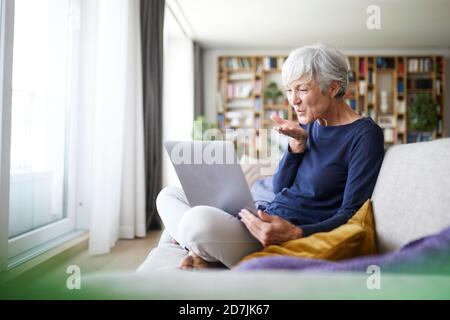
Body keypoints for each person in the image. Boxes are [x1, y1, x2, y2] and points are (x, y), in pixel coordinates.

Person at [156, 44, 385, 270]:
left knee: (197, 222)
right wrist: (296, 146)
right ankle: (203, 249)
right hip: (261, 216)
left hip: (276, 235)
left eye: (302, 90)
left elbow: (352, 214)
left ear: (333, 88)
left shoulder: (364, 135)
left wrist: (296, 233)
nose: (293, 100)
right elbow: (279, 187)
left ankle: (201, 248)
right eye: (289, 90)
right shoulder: (312, 126)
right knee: (169, 195)